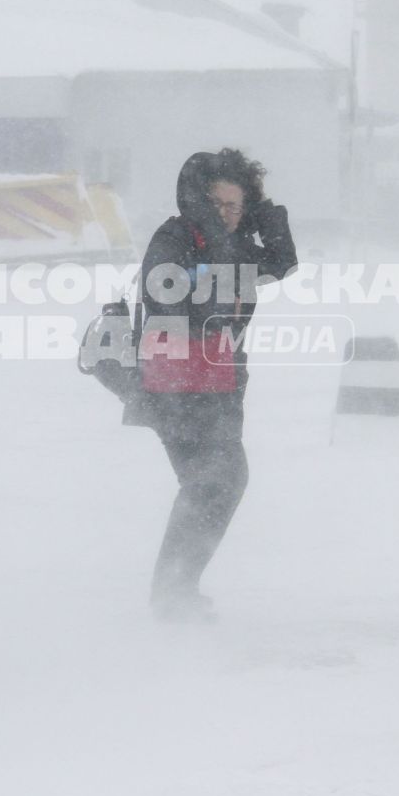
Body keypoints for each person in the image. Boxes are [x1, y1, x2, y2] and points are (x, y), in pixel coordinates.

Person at [125, 148, 297, 621]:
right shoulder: (176, 237)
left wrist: (266, 215)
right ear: (198, 200)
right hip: (177, 385)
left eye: (235, 206)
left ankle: (176, 591)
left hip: (220, 384)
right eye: (217, 203)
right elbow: (169, 308)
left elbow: (282, 262)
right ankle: (172, 595)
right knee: (214, 482)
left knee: (216, 484)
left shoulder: (235, 243)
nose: (226, 214)